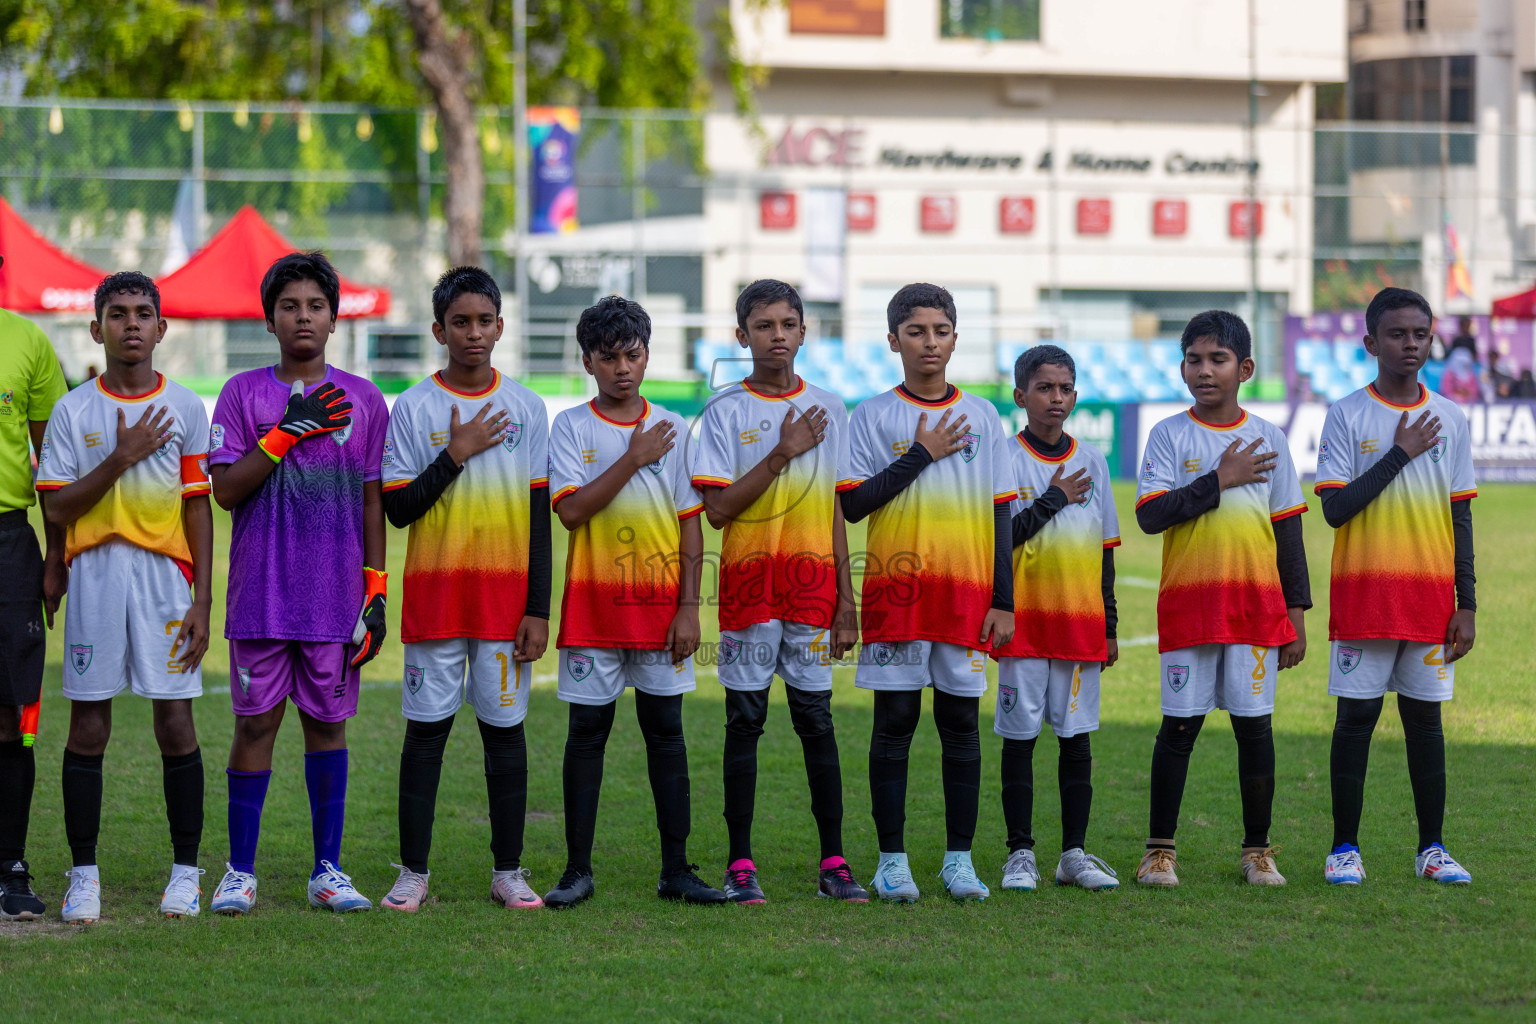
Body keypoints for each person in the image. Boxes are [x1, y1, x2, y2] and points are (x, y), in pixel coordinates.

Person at [206, 252, 389, 915]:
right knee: (254, 728)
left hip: (334, 602)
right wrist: (285, 432)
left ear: (335, 318)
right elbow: (225, 490)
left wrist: (376, 590)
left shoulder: (364, 400)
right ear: (270, 319)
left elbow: (372, 500)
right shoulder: (242, 394)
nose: (303, 317)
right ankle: (239, 872)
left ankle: (328, 871)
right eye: (290, 306)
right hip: (260, 598)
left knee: (327, 728)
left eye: (315, 305)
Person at [35, 273, 213, 923]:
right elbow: (56, 506)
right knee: (88, 725)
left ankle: (186, 872)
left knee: (175, 722)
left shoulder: (189, 408)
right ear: (96, 329)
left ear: (162, 329)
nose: (131, 324)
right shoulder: (74, 410)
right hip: (96, 576)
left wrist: (203, 602)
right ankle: (83, 875)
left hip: (167, 579)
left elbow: (199, 511)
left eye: (143, 314)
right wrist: (118, 457)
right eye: (117, 314)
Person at [541, 295, 725, 908]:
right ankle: (576, 871)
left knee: (666, 736)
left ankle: (677, 868)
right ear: (588, 361)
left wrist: (690, 608)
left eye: (633, 354)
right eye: (609, 356)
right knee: (586, 735)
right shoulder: (570, 427)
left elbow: (691, 525)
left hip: (661, 613)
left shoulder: (672, 427)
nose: (623, 367)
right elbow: (570, 512)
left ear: (647, 356)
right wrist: (632, 458)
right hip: (594, 611)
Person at [377, 267, 551, 912]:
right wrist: (456, 452)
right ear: (438, 329)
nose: (473, 333)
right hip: (437, 601)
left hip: (506, 609)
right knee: (426, 736)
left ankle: (509, 872)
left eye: (484, 321)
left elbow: (539, 519)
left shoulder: (528, 409)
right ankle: (413, 874)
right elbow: (398, 510)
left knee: (505, 736)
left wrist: (538, 609)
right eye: (460, 322)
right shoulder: (415, 407)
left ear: (501, 327)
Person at [693, 279, 867, 904]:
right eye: (763, 326)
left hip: (813, 595)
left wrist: (847, 602)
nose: (777, 336)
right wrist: (781, 452)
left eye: (788, 324)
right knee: (746, 722)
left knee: (817, 722)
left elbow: (834, 515)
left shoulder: (830, 406)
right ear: (741, 336)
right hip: (748, 593)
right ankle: (741, 864)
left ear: (803, 331)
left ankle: (835, 862)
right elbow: (716, 510)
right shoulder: (724, 412)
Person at [843, 283, 1016, 902]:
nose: (930, 343)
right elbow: (856, 503)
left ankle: (959, 861)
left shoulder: (985, 417)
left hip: (966, 601)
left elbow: (1002, 514)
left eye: (940, 331)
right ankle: (892, 861)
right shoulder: (871, 415)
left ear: (955, 338)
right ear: (894, 341)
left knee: (961, 728)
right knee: (894, 725)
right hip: (897, 599)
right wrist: (920, 453)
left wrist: (1003, 599)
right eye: (916, 332)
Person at [1133, 309, 1311, 889]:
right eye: (1194, 359)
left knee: (1254, 730)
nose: (1204, 370)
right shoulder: (1168, 434)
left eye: (1218, 359)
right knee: (1177, 730)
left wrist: (1297, 614)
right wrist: (1220, 478)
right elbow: (1151, 515)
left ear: (1246, 368)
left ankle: (1258, 852)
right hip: (1190, 608)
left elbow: (1288, 532)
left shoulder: (1270, 439)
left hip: (1256, 611)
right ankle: (1159, 852)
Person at [1314, 286, 1477, 887]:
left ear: (1431, 340)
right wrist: (1401, 452)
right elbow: (1335, 510)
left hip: (1431, 604)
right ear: (1370, 343)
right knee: (1354, 724)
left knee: (1426, 727)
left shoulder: (1452, 418)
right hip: (1365, 601)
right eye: (1397, 334)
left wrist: (1469, 605)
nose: (1410, 345)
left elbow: (1460, 518)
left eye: (1420, 335)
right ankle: (1343, 849)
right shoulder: (1347, 415)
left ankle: (1432, 849)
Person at [992, 344, 1122, 893]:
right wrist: (1052, 497)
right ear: (1022, 396)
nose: (1057, 398)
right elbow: (997, 541)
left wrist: (1110, 624)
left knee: (1077, 741)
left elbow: (1107, 548)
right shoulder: (1004, 458)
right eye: (1045, 388)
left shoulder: (1093, 459)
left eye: (1066, 388)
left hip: (1078, 625)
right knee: (1019, 741)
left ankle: (1073, 853)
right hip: (1023, 627)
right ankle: (1019, 853)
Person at [0, 273, 68, 921]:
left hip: (8, 548)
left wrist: (55, 556)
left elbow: (51, 463)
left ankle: (10, 866)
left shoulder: (27, 340)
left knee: (10, 718)